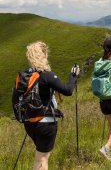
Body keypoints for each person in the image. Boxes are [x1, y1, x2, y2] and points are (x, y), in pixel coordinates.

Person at [23, 41, 79, 170]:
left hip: (29, 122)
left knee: (40, 157)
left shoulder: (26, 75)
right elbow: (68, 90)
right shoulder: (47, 75)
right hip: (46, 123)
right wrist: (73, 76)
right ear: (44, 55)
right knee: (42, 159)